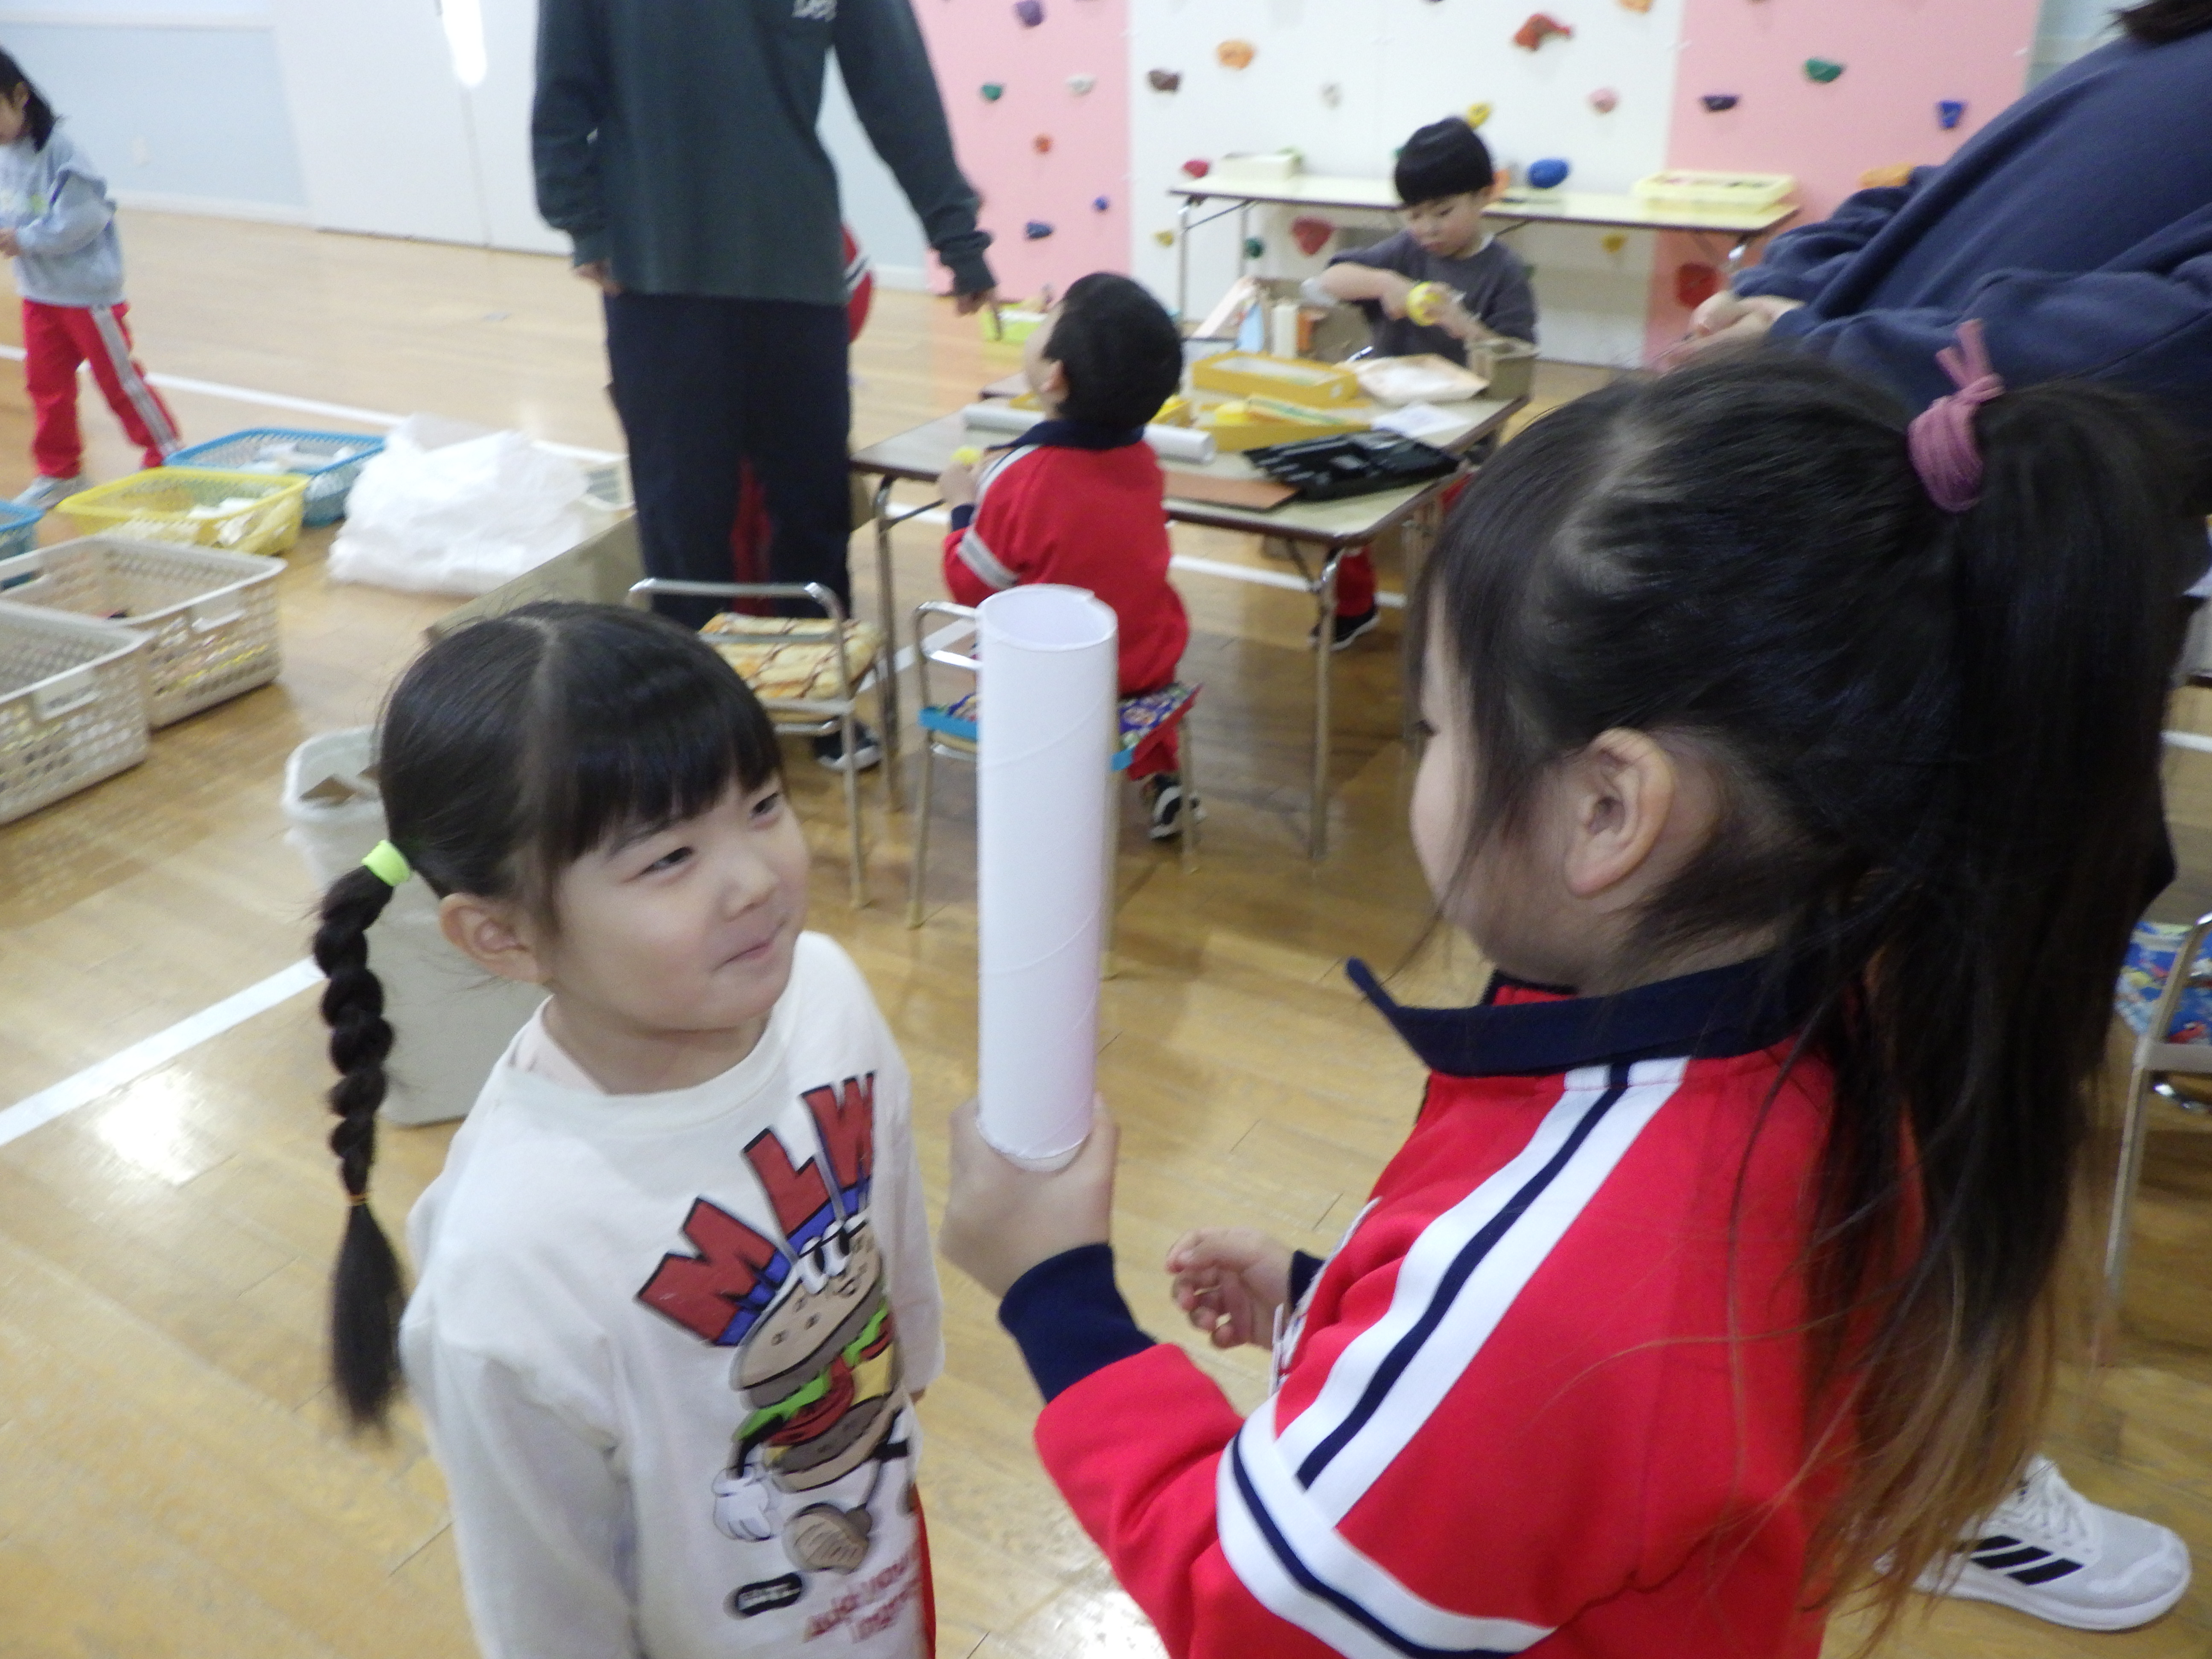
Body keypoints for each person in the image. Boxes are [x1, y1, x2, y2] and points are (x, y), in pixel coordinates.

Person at [937, 345, 2206, 1653]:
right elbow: (1614, 1437)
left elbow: (1250, 1605)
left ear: (1609, 808)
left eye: (1439, 730)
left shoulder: (1563, 1288)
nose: (1427, 769)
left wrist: (1056, 1292)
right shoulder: (1848, 1046)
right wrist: (1347, 1311)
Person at [311, 603, 942, 1658]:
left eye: (763, 803)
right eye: (670, 857)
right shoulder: (505, 1269)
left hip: (882, 1579)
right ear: (505, 935)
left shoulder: (827, 993)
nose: (756, 877)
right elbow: (552, 1620)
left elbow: (891, 1265)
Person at [534, 0, 1000, 774]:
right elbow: (563, 80)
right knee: (683, 518)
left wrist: (955, 232)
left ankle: (817, 701)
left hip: (796, 270)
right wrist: (578, 216)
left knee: (812, 509)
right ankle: (696, 729)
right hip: (658, 272)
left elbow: (896, 88)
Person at [1679, 0, 2212, 436]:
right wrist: (1786, 318)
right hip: (1880, 462)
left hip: (1843, 431)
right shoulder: (2158, 50)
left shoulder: (2157, 48)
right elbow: (1922, 197)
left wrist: (1788, 317)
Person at [937, 273, 1199, 840]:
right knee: (1134, 615)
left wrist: (962, 508)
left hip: (1054, 679)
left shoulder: (1021, 477)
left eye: (1049, 317)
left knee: (1010, 634)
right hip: (1145, 659)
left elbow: (971, 585)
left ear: (1054, 378)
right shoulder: (1143, 459)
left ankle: (1047, 796)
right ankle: (1160, 772)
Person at [1314, 116, 1536, 648]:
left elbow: (1518, 361)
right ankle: (1352, 605)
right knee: (1336, 489)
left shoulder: (1503, 272)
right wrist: (1383, 282)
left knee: (1465, 522)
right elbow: (1329, 280)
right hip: (1389, 418)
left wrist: (1467, 327)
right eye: (1414, 215)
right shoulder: (1404, 255)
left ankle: (1458, 618)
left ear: (1483, 196)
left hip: (1463, 434)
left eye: (1443, 212)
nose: (1427, 229)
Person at [0, 49, 179, 511]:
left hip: (86, 297)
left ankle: (169, 458)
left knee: (119, 382)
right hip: (39, 294)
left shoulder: (62, 153)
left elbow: (82, 222)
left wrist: (23, 239)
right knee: (46, 387)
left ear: (19, 96)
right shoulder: (6, 154)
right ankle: (60, 472)